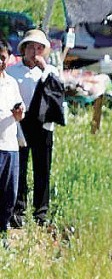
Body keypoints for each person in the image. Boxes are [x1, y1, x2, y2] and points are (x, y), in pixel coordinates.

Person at [8, 29, 62, 228]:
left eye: (39, 48)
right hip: (21, 121)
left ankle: (41, 211)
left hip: (43, 122)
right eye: (31, 47)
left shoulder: (50, 71)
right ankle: (18, 209)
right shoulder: (13, 71)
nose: (35, 52)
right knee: (20, 167)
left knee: (42, 168)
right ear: (24, 49)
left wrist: (44, 68)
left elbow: (57, 91)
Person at [0, 44, 24, 240]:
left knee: (9, 194)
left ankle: (3, 231)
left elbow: (20, 114)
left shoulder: (11, 83)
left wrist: (18, 113)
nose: (0, 62)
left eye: (2, 57)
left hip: (10, 145)